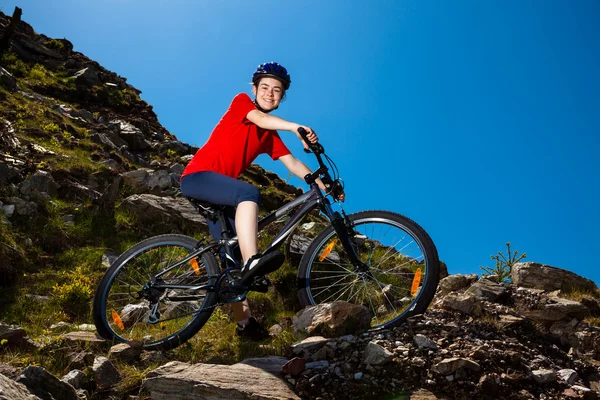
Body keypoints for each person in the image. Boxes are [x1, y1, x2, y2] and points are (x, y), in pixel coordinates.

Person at [180, 62, 333, 340]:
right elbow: (261, 119)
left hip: (220, 196)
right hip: (198, 177)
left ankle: (245, 324)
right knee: (249, 194)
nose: (270, 94)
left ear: (282, 97)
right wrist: (296, 127)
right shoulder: (242, 103)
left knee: (232, 261)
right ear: (254, 89)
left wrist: (324, 184)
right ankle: (254, 260)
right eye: (265, 88)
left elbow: (294, 164)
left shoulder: (268, 136)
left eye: (277, 91)